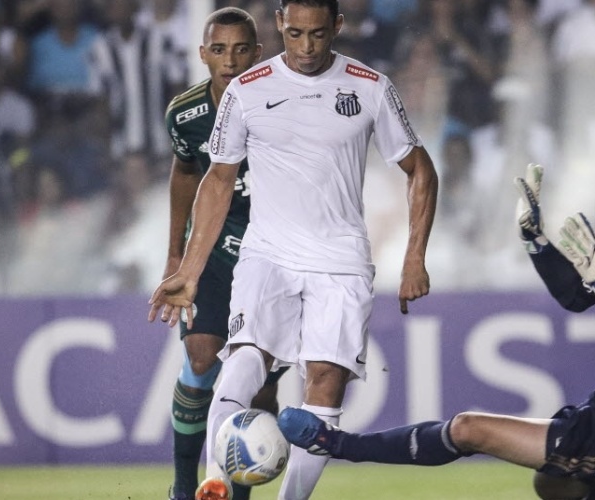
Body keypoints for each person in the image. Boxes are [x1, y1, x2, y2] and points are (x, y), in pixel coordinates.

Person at [278, 141, 595, 500]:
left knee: (469, 429)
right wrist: (536, 241)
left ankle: (335, 444)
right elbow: (576, 296)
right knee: (556, 485)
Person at [148, 1, 439, 498]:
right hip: (268, 254)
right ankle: (215, 483)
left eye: (318, 35)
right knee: (241, 360)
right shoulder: (247, 89)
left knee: (324, 384)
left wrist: (415, 256)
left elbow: (420, 169)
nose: (306, 48)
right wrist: (189, 269)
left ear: (338, 28)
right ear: (280, 23)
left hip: (340, 259)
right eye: (296, 33)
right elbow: (216, 181)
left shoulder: (370, 87)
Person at [158, 8, 288, 500]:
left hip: (276, 258)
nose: (229, 61)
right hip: (214, 252)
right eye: (219, 49)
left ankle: (238, 490)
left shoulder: (285, 101)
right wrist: (176, 256)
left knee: (260, 387)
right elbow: (186, 172)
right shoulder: (185, 114)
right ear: (203, 54)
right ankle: (183, 487)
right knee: (200, 355)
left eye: (240, 49)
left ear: (258, 53)